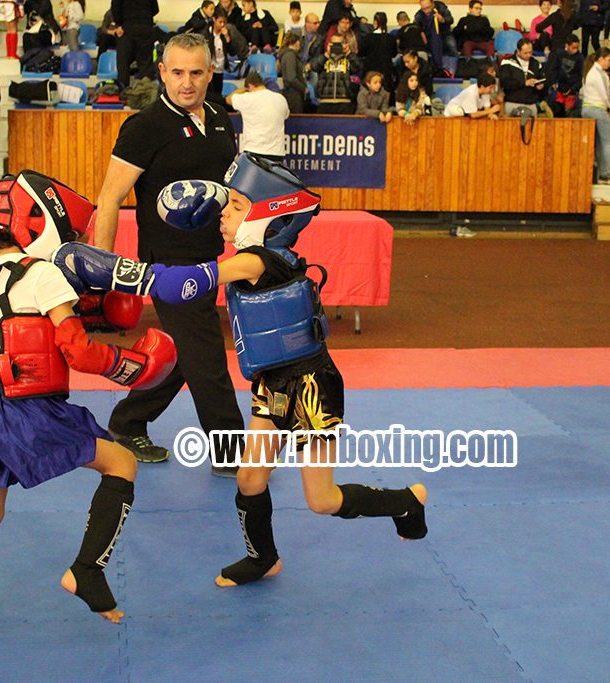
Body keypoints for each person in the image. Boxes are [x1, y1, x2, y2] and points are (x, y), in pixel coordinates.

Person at [54, 153, 430, 589]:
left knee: (322, 500)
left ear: (268, 214)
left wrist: (108, 272)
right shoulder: (261, 254)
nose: (223, 214)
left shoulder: (260, 262)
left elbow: (184, 285)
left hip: (312, 386)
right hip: (273, 383)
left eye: (235, 206)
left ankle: (406, 501)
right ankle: (263, 557)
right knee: (250, 478)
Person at [0, 170, 176, 637]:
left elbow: (15, 324)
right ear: (44, 223)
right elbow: (77, 351)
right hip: (27, 410)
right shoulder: (43, 273)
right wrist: (133, 369)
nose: (75, 242)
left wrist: (90, 309)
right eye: (74, 232)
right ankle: (87, 570)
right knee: (121, 462)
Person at [91, 32, 243, 471]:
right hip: (166, 264)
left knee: (181, 352)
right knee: (207, 352)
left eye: (196, 72)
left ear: (210, 73)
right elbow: (109, 198)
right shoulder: (145, 128)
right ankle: (231, 452)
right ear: (162, 72)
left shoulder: (218, 119)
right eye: (177, 72)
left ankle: (128, 421)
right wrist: (102, 272)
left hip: (208, 257)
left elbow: (226, 186)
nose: (186, 82)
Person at [582, 48, 610, 187]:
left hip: (588, 108)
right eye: (608, 60)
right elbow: (605, 95)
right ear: (601, 58)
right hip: (597, 108)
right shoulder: (597, 73)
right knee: (608, 143)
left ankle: (603, 173)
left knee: (599, 144)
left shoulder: (591, 71)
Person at [227, 70, 289, 162]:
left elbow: (228, 99)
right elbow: (286, 115)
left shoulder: (247, 98)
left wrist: (244, 89)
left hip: (254, 151)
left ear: (250, 86)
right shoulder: (281, 99)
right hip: (276, 153)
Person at [112, 0, 159, 87]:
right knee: (146, 65)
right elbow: (155, 9)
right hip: (146, 28)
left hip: (127, 29)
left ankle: (123, 92)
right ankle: (146, 93)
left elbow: (115, 8)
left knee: (123, 64)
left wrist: (119, 24)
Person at [312, 33, 360, 113]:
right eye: (334, 44)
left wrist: (348, 52)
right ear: (329, 44)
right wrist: (327, 54)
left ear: (344, 44)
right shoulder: (323, 58)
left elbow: (358, 66)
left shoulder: (349, 59)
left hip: (344, 101)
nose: (336, 46)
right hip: (325, 101)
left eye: (339, 44)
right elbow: (314, 67)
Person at [499, 38, 546, 117]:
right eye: (525, 53)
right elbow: (505, 83)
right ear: (518, 51)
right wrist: (524, 83)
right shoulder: (507, 62)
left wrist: (540, 87)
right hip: (512, 102)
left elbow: (542, 79)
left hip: (531, 103)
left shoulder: (536, 63)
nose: (528, 55)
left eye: (530, 52)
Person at [207, 11, 247, 97]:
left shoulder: (226, 34)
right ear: (214, 19)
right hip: (210, 67)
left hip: (220, 67)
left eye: (224, 22)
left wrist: (227, 38)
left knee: (218, 92)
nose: (222, 25)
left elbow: (232, 52)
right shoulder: (207, 33)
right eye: (220, 22)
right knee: (209, 93)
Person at [415, 0, 456, 71]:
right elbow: (416, 28)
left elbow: (451, 20)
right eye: (423, 9)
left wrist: (442, 20)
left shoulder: (442, 8)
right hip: (429, 36)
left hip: (445, 34)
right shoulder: (419, 15)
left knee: (452, 46)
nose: (426, 11)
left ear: (433, 4)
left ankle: (452, 71)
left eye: (428, 8)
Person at [548, 34, 583, 117]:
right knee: (557, 111)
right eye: (573, 48)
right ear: (567, 45)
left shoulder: (580, 57)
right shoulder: (559, 53)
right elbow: (553, 69)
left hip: (572, 91)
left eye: (577, 48)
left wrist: (573, 89)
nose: (575, 50)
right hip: (559, 89)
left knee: (569, 113)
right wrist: (553, 82)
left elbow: (581, 76)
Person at [278, 31, 307, 113]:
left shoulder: (287, 55)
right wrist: (303, 88)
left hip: (292, 93)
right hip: (293, 95)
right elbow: (291, 78)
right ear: (297, 42)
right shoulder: (290, 56)